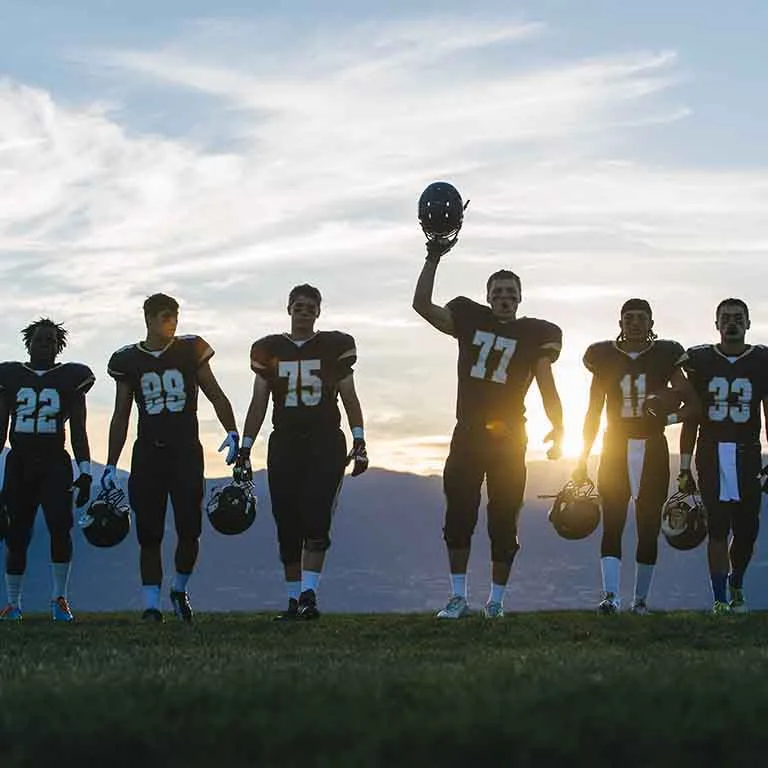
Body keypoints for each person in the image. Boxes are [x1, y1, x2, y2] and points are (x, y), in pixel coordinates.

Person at [412, 238, 564, 619]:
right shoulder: (469, 317)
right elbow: (422, 306)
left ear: (520, 298)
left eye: (511, 293)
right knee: (459, 514)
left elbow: (546, 382)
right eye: (498, 292)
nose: (504, 298)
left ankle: (495, 602)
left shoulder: (534, 334)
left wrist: (559, 425)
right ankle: (458, 597)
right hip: (468, 432)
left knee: (504, 517)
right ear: (487, 296)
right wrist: (432, 258)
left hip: (510, 437)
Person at [103, 294, 239, 623]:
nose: (172, 323)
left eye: (175, 316)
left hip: (185, 451)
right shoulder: (128, 359)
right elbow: (121, 414)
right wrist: (110, 463)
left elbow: (216, 394)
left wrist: (233, 432)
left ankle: (179, 589)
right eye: (165, 316)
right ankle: (151, 605)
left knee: (190, 529)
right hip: (148, 452)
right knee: (149, 533)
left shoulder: (190, 350)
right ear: (148, 319)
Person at [236, 284, 368, 621]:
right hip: (285, 441)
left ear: (319, 312)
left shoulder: (333, 348)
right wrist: (245, 448)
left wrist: (359, 439)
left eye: (311, 307)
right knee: (287, 522)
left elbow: (349, 396)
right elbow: (259, 402)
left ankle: (309, 594)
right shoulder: (269, 349)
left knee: (318, 516)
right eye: (299, 306)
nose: (304, 312)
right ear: (289, 309)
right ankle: (294, 599)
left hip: (325, 440)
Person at [574, 299, 698, 615]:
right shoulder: (603, 356)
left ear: (651, 323)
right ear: (620, 323)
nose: (634, 323)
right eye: (629, 318)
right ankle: (611, 597)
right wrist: (581, 457)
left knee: (648, 525)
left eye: (641, 318)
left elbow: (693, 405)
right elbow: (593, 411)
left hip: (652, 445)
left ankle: (640, 600)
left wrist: (666, 419)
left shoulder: (666, 354)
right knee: (613, 520)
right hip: (614, 445)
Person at [677, 298, 768, 615]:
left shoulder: (761, 360)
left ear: (748, 323)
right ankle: (719, 599)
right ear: (716, 324)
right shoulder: (701, 359)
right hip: (711, 452)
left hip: (747, 452)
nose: (732, 323)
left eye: (738, 318)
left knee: (747, 530)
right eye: (726, 317)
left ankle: (736, 582)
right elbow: (691, 415)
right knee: (717, 526)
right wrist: (684, 465)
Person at [0, 318, 94, 621]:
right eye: (39, 340)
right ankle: (13, 603)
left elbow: (78, 429)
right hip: (20, 462)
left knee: (60, 527)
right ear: (28, 343)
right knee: (16, 534)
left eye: (51, 340)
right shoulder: (10, 375)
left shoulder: (71, 377)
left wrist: (85, 471)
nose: (44, 345)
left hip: (55, 462)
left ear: (59, 346)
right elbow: (0, 428)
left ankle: (59, 599)